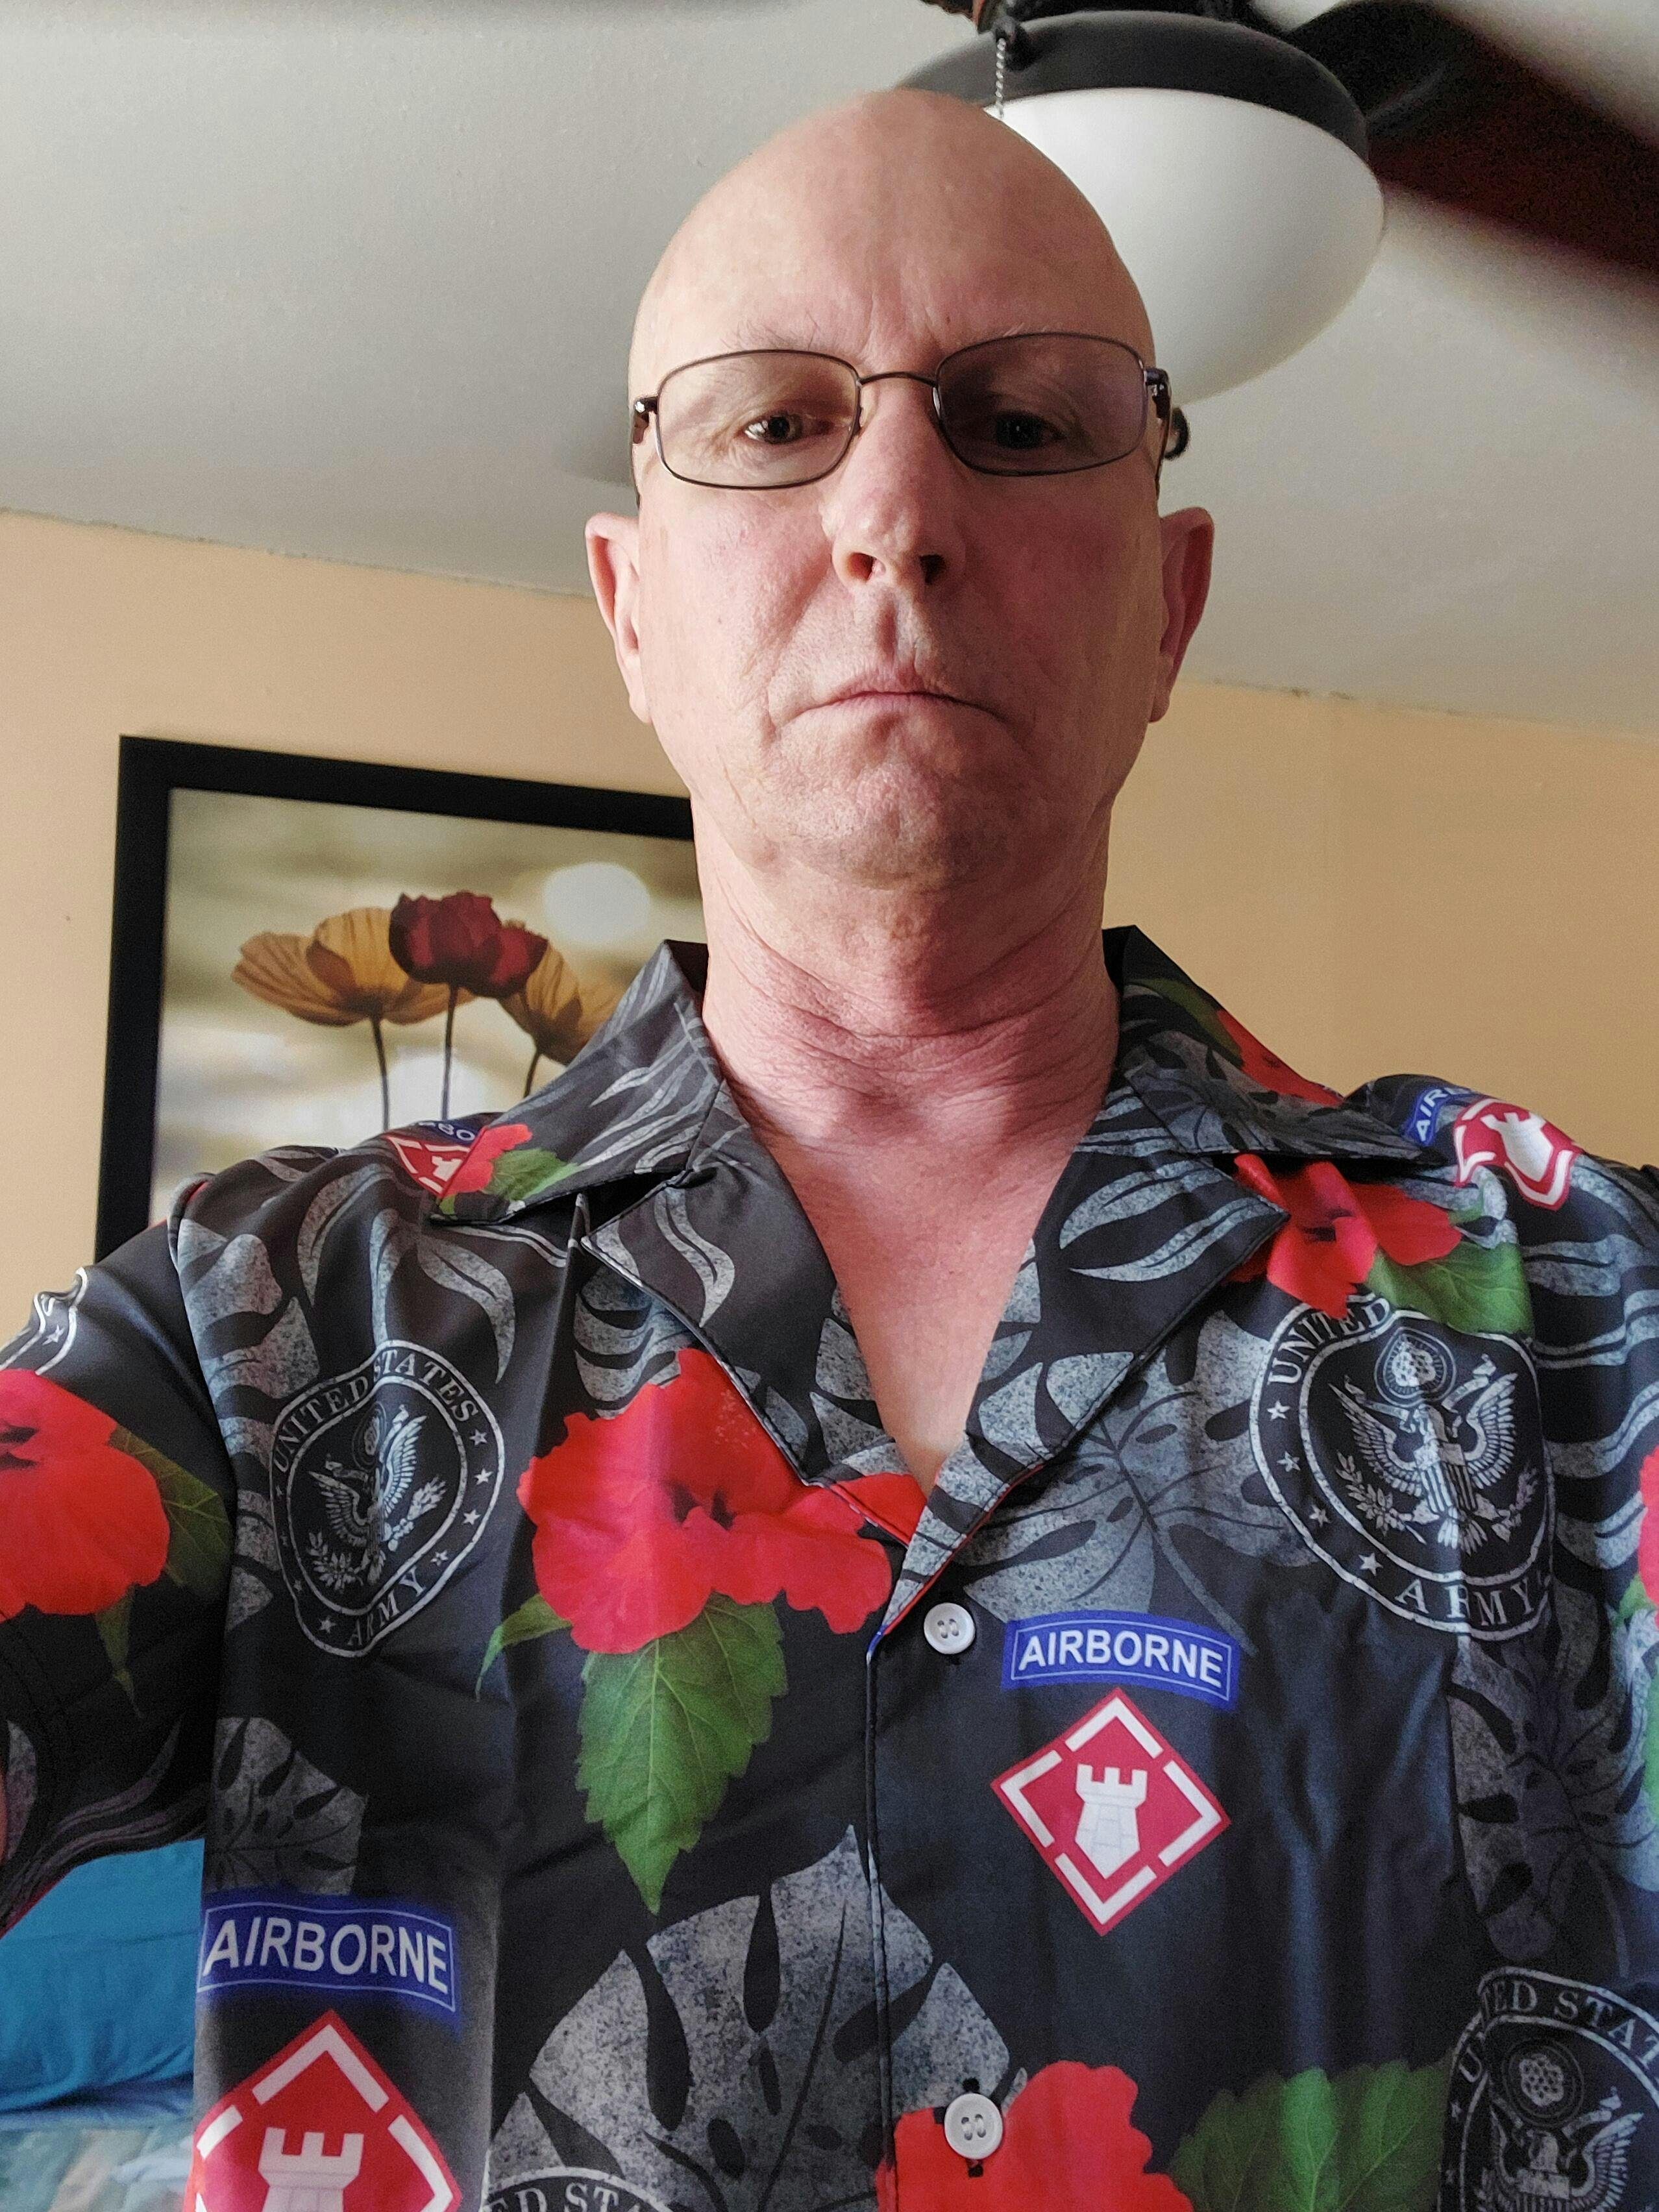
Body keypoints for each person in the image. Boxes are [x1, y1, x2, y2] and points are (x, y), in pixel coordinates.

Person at [3, 84, 1657, 2212]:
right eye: (774, 423)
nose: (894, 509)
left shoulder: (1582, 1312)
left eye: (1021, 421)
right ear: (631, 609)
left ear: (1168, 607)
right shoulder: (254, 1323)